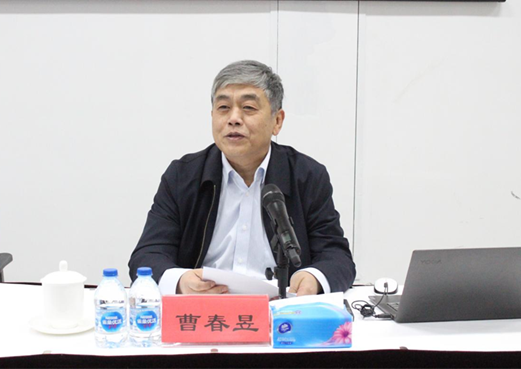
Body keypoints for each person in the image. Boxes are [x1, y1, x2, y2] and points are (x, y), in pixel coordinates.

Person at [129, 60, 355, 296]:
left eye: (248, 107)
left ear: (277, 121)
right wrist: (181, 281)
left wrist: (314, 278)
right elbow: (147, 256)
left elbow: (337, 257)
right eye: (223, 107)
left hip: (281, 308)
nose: (234, 118)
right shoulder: (183, 176)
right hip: (207, 308)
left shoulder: (306, 176)